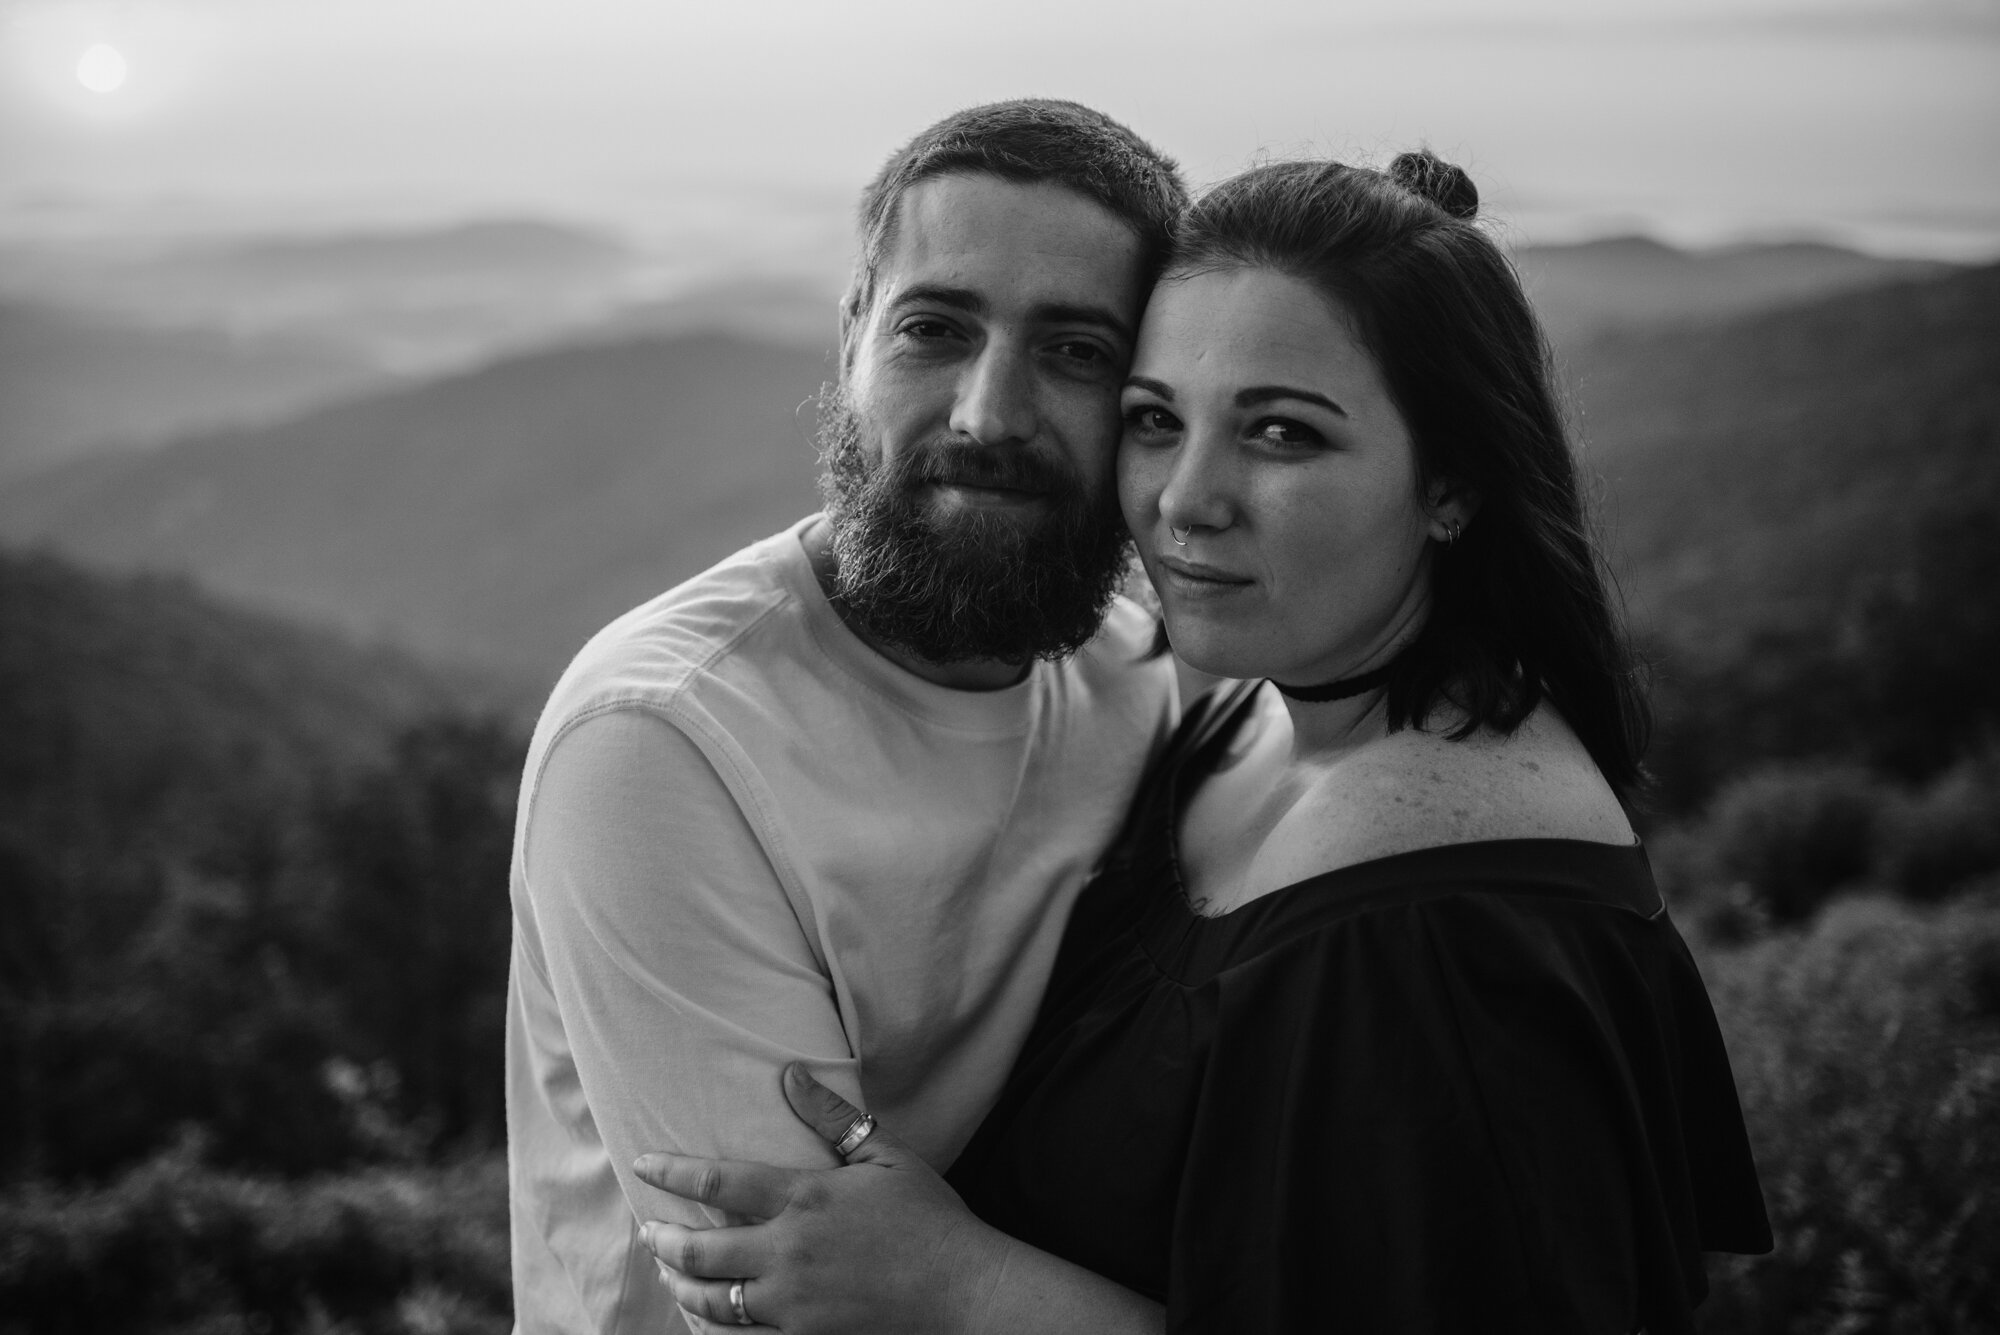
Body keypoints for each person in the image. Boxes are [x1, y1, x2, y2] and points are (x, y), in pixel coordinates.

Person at [631, 152, 1773, 1333]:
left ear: (1451, 484)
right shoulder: (1254, 712)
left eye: (1280, 434)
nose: (1185, 497)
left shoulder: (1438, 929)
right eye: (1152, 420)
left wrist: (961, 1287)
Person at [505, 99, 1189, 1334]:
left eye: (1077, 352)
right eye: (934, 329)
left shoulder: (1142, 677)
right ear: (850, 341)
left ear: (1150, 404)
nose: (987, 414)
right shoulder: (666, 741)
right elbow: (816, 1313)